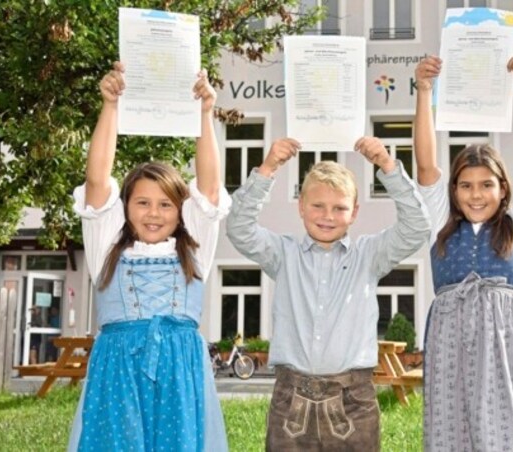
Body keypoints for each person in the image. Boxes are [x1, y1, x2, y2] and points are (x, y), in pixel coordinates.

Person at [226, 137, 431, 451]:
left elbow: (417, 227)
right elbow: (238, 227)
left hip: (353, 403)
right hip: (291, 401)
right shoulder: (282, 253)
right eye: (318, 206)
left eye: (339, 208)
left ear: (354, 212)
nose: (328, 215)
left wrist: (388, 166)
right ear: (301, 207)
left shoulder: (369, 254)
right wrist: (267, 168)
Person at [67, 62, 230, 452]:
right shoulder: (107, 244)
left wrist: (205, 113)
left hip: (181, 370)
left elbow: (209, 188)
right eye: (142, 202)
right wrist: (111, 106)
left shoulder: (193, 248)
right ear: (124, 207)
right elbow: (95, 180)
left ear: (181, 211)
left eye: (165, 205)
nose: (153, 213)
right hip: (118, 369)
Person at [414, 55, 513, 451]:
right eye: (466, 185)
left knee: (503, 427)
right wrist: (424, 91)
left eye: (486, 185)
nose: (476, 194)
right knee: (450, 427)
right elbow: (425, 166)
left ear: (503, 189)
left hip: (505, 340)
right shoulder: (440, 222)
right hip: (450, 335)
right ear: (454, 191)